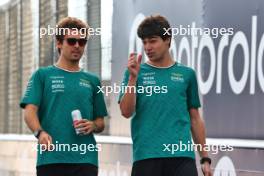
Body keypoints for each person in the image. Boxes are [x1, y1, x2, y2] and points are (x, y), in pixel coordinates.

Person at [119, 15, 212, 176]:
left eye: (153, 40)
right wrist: (133, 78)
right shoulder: (134, 72)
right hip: (146, 157)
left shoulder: (187, 74)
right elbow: (126, 112)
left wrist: (205, 158)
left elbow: (195, 118)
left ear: (167, 40)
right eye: (144, 42)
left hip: (181, 157)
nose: (148, 47)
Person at [20, 17, 108, 176]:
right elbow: (29, 111)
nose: (77, 46)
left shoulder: (93, 80)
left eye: (82, 42)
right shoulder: (42, 75)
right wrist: (39, 133)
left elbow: (101, 122)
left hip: (85, 160)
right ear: (59, 43)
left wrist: (92, 125)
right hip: (51, 159)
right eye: (72, 41)